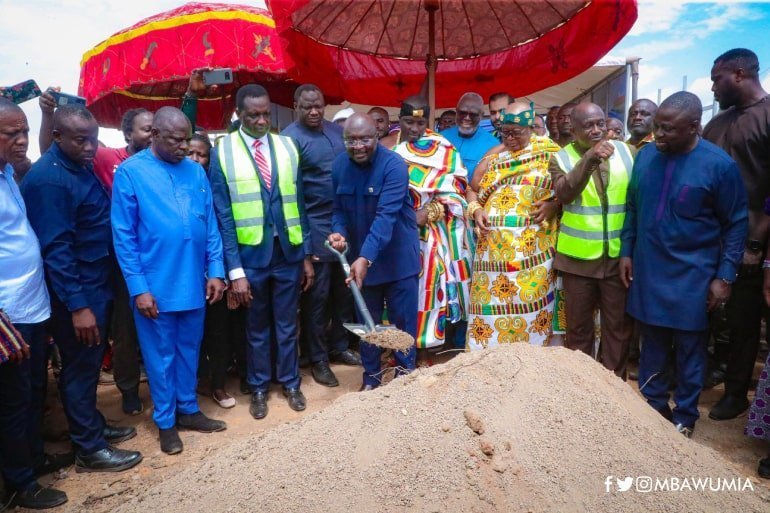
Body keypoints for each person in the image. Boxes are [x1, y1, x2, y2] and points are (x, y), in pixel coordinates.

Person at [619, 91, 748, 437]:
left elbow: (736, 223)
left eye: (668, 130)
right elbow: (632, 207)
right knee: (653, 344)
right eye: (657, 127)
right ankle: (654, 407)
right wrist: (627, 251)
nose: (658, 135)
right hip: (649, 269)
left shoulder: (719, 166)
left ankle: (685, 416)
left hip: (694, 274)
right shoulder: (646, 157)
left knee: (691, 349)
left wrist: (724, 276)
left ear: (694, 127)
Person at [22, 105, 142, 472]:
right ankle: (89, 449)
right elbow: (56, 250)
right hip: (78, 294)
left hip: (96, 284)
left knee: (88, 367)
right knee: (78, 368)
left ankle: (91, 426)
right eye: (80, 140)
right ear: (56, 137)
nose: (91, 147)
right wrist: (78, 306)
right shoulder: (50, 181)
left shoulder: (78, 165)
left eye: (93, 139)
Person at [111, 107, 227, 455]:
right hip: (155, 288)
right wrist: (138, 288)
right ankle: (165, 422)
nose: (182, 147)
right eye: (175, 140)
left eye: (186, 139)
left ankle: (188, 410)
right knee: (160, 357)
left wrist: (217, 270)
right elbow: (124, 236)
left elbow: (209, 225)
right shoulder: (131, 173)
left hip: (193, 281)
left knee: (189, 351)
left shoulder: (195, 172)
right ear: (155, 136)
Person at [210, 84, 313, 420]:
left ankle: (290, 382)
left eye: (266, 113)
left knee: (286, 323)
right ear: (239, 114)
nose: (261, 120)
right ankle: (257, 387)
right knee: (255, 327)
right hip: (250, 257)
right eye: (253, 114)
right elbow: (223, 215)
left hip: (288, 252)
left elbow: (299, 202)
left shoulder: (287, 146)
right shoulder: (223, 151)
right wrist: (234, 271)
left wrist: (306, 253)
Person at [0, 98, 68, 509]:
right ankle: (20, 485)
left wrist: (45, 117)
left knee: (32, 393)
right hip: (7, 317)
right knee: (12, 401)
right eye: (12, 134)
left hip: (32, 306)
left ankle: (32, 459)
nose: (22, 140)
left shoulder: (8, 173)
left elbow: (41, 157)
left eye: (24, 131)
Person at [328, 113, 420, 389]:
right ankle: (371, 380)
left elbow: (385, 217)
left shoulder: (394, 166)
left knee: (402, 329)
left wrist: (365, 257)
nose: (358, 146)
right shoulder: (339, 166)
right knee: (368, 327)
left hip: (397, 261)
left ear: (377, 136)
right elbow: (338, 210)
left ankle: (405, 381)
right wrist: (339, 232)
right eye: (351, 140)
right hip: (361, 262)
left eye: (365, 139)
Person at [703, 48, 770, 422]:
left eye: (717, 79)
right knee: (707, 313)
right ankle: (702, 374)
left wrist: (756, 245)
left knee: (744, 320)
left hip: (748, 241)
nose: (713, 88)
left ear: (740, 74)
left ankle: (735, 392)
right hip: (707, 238)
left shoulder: (768, 116)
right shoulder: (718, 123)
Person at [381, 96, 472, 364]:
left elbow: (457, 193)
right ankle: (395, 347)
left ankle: (422, 349)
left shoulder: (443, 149)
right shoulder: (388, 148)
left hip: (429, 235)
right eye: (409, 122)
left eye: (421, 122)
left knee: (426, 290)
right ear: (400, 119)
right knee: (394, 291)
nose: (415, 129)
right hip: (394, 232)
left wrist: (428, 212)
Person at [281, 84, 360, 389]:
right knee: (317, 299)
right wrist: (303, 246)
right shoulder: (289, 138)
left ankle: (338, 346)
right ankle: (318, 359)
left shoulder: (335, 130)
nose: (314, 112)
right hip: (313, 224)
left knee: (343, 292)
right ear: (295, 105)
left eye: (319, 106)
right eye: (307, 107)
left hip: (342, 221)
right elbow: (291, 194)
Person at [466, 102, 561, 349]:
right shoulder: (494, 155)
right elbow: (472, 190)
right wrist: (476, 210)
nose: (509, 138)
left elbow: (571, 193)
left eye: (515, 133)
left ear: (531, 128)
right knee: (492, 314)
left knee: (533, 312)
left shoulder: (551, 153)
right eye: (505, 132)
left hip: (534, 256)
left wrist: (554, 205)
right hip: (493, 256)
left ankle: (532, 372)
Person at [550, 103, 636, 378]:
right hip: (578, 261)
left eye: (600, 123)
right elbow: (564, 194)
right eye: (588, 126)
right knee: (578, 331)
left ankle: (614, 387)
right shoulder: (560, 158)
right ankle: (582, 386)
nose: (597, 130)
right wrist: (588, 159)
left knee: (617, 327)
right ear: (573, 130)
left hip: (617, 259)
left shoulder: (627, 152)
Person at [441, 93, 499, 182]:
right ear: (456, 111)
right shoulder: (441, 138)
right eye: (462, 113)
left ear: (481, 115)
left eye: (473, 114)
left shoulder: (493, 146)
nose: (467, 118)